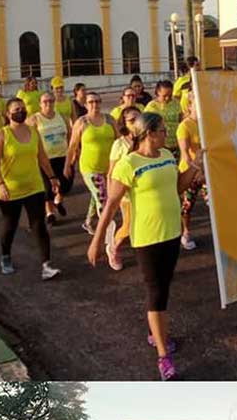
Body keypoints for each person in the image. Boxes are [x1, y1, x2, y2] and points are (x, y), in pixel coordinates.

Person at [87, 112, 204, 381]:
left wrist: (195, 167)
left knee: (164, 286)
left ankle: (156, 332)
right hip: (147, 238)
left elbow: (177, 187)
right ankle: (164, 357)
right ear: (149, 133)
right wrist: (96, 241)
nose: (166, 133)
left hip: (171, 233)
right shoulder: (128, 164)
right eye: (162, 130)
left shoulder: (165, 156)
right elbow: (111, 206)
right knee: (157, 292)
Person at [0, 97, 62, 279]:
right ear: (8, 114)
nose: (20, 111)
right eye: (16, 109)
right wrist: (0, 184)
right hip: (9, 189)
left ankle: (46, 265)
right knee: (10, 225)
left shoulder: (33, 132)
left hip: (34, 186)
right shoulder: (2, 134)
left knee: (39, 225)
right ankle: (5, 256)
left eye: (22, 108)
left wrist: (52, 177)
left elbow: (42, 157)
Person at [65, 92, 116, 236]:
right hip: (90, 168)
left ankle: (88, 222)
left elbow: (119, 140)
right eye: (91, 102)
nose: (95, 105)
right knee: (104, 201)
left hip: (108, 167)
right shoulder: (82, 122)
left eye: (98, 101)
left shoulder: (110, 120)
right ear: (86, 105)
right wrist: (67, 165)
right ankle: (106, 236)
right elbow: (73, 146)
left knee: (97, 195)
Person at [104, 105, 142, 271]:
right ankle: (114, 247)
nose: (136, 123)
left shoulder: (146, 138)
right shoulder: (119, 145)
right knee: (128, 225)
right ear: (124, 123)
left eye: (138, 119)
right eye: (131, 120)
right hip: (125, 193)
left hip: (144, 190)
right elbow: (111, 172)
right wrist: (111, 197)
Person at [26, 91, 71, 220]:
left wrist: (73, 153)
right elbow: (28, 138)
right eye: (45, 101)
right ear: (40, 104)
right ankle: (50, 213)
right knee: (47, 188)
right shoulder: (34, 119)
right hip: (44, 159)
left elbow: (69, 134)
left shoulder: (61, 117)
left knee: (65, 184)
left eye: (51, 101)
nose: (48, 104)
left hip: (62, 156)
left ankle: (58, 201)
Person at [177, 89, 206, 251]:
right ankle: (186, 232)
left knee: (213, 203)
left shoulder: (207, 122)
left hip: (206, 172)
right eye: (197, 103)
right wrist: (198, 172)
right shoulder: (185, 126)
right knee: (188, 205)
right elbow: (186, 155)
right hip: (190, 173)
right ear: (190, 105)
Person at [144, 80, 182, 157]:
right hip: (160, 145)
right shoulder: (151, 107)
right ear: (158, 92)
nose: (167, 98)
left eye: (170, 95)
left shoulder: (176, 103)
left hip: (177, 143)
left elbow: (181, 119)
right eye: (164, 96)